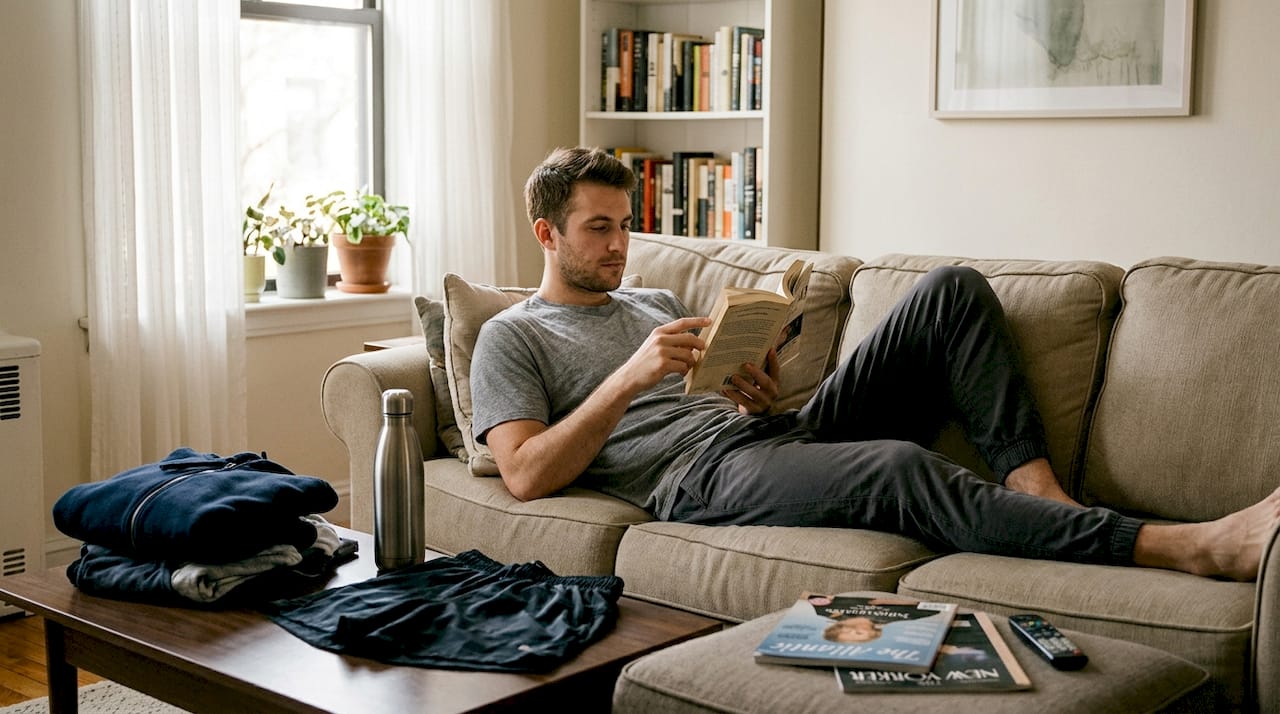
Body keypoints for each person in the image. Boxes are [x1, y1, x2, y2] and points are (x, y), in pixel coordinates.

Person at [469, 146, 1280, 582]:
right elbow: (527, 474)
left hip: (766, 435)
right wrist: (626, 379)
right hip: (696, 482)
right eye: (597, 230)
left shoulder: (646, 302)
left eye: (623, 226)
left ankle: (1035, 488)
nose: (618, 246)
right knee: (899, 467)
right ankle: (1189, 546)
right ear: (547, 234)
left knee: (950, 291)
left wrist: (753, 385)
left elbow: (719, 392)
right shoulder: (516, 335)